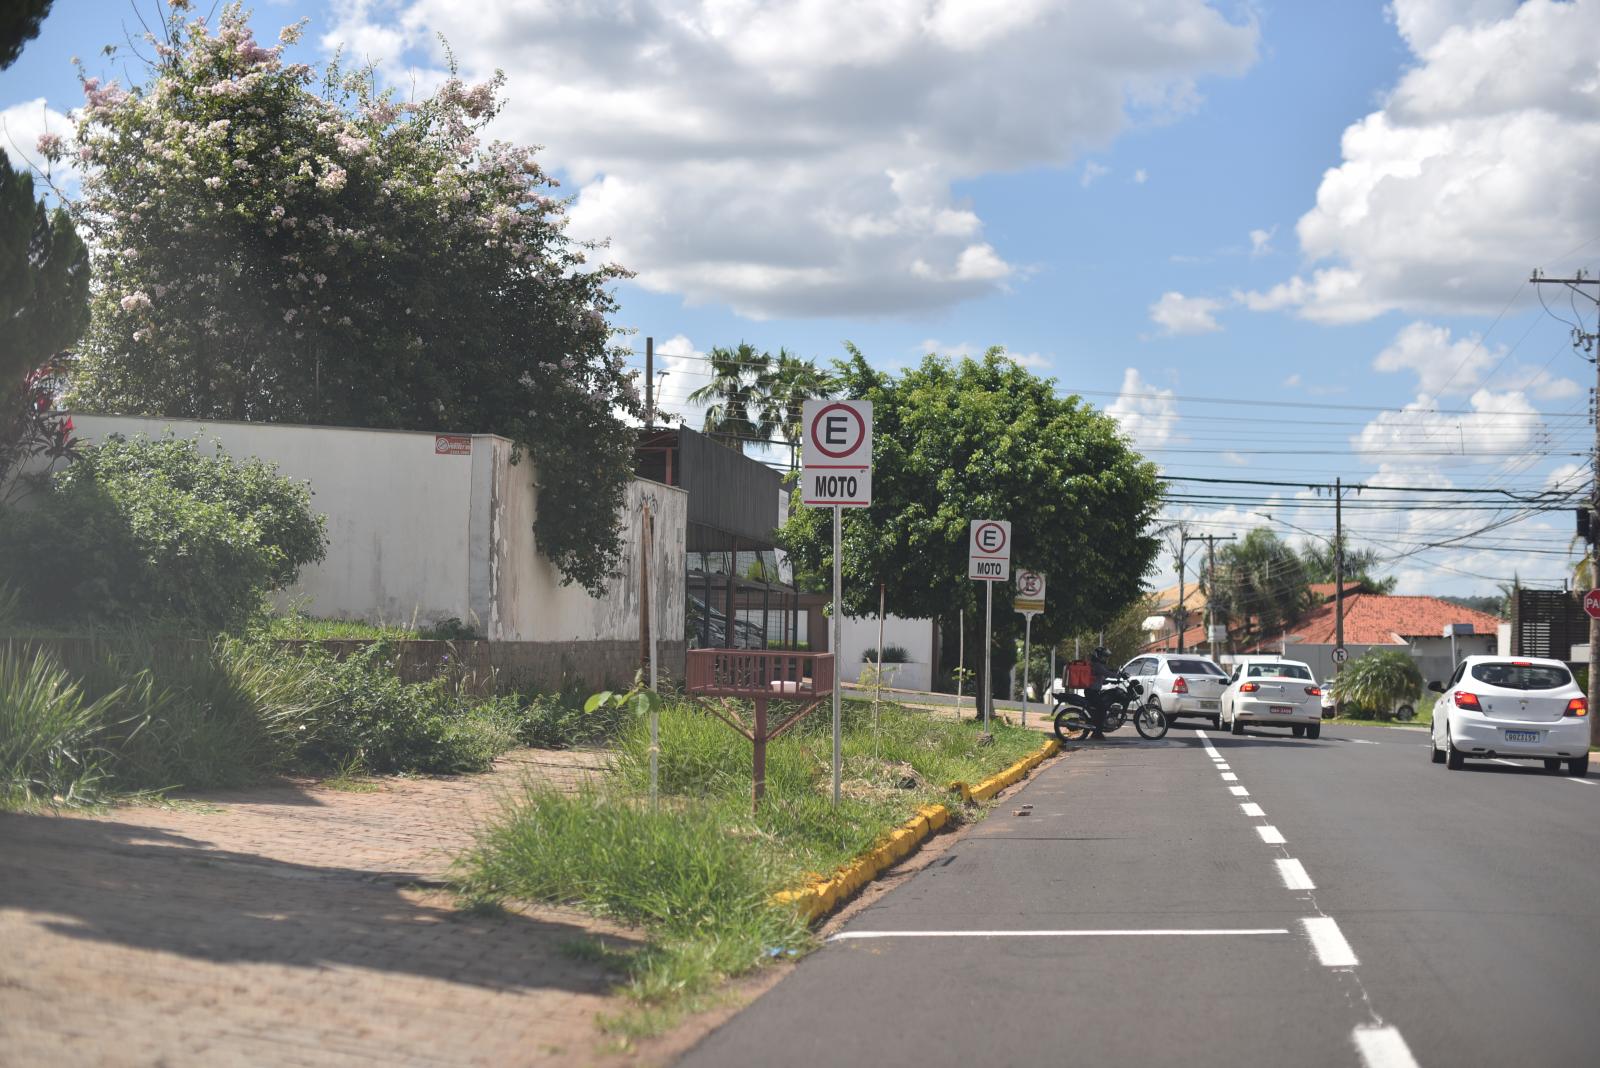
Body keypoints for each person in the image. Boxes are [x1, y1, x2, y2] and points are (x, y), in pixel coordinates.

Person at [1086, 645, 1117, 739]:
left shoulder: (1097, 665)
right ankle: (1097, 733)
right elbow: (1106, 673)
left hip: (1094, 691)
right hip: (1092, 692)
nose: (1105, 658)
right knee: (1102, 709)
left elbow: (1101, 678)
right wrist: (1118, 676)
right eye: (1104, 656)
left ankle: (1097, 731)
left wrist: (1112, 680)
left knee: (1102, 707)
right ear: (1098, 656)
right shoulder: (1097, 665)